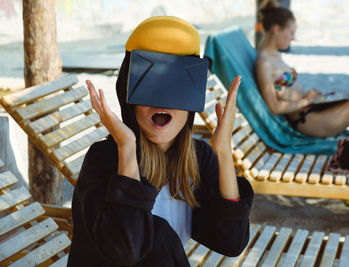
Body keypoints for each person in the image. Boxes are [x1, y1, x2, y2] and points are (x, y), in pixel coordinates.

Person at [67, 16, 254, 267]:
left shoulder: (199, 158)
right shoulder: (104, 159)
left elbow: (232, 242)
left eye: (176, 88)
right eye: (150, 85)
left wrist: (222, 151)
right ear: (128, 94)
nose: (163, 101)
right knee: (157, 235)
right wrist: (127, 148)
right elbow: (126, 250)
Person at [255, 0, 349, 138]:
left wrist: (314, 98)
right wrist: (305, 101)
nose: (293, 38)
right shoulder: (264, 63)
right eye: (291, 33)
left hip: (314, 110)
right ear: (276, 29)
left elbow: (286, 90)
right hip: (310, 121)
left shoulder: (275, 56)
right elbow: (273, 107)